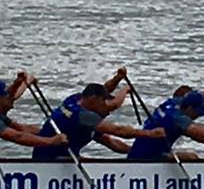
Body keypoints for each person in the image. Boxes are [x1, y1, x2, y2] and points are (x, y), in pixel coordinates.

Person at [33, 69, 165, 161]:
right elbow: (117, 130)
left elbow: (112, 143)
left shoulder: (75, 99)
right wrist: (150, 134)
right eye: (103, 103)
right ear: (94, 99)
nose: (106, 109)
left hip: (53, 156)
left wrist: (138, 152)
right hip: (52, 160)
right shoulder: (85, 116)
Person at [125, 81, 204, 161]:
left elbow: (202, 98)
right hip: (148, 158)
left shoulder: (174, 103)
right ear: (190, 108)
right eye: (197, 112)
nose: (197, 116)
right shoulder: (178, 119)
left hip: (141, 153)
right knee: (192, 157)